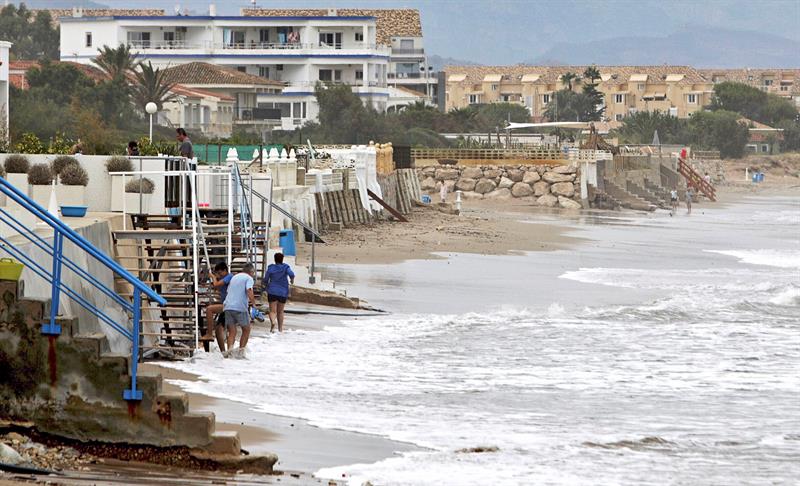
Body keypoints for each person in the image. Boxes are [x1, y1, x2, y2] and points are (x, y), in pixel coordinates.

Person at [223, 263, 256, 351]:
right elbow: (249, 290)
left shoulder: (235, 277)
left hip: (228, 306)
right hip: (239, 307)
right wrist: (253, 303)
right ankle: (241, 351)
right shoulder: (249, 278)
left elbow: (228, 291)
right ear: (251, 272)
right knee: (246, 330)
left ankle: (229, 351)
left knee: (232, 331)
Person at [204, 262, 232, 352]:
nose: (219, 275)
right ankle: (223, 352)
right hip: (226, 304)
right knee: (219, 329)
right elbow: (216, 288)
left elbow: (216, 285)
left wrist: (213, 277)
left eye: (220, 273)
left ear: (225, 270)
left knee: (209, 310)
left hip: (229, 305)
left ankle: (209, 333)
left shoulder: (229, 277)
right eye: (218, 274)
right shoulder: (224, 279)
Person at [263, 253, 295, 333]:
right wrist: (292, 280)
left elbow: (266, 279)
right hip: (283, 292)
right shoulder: (285, 267)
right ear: (282, 259)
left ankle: (273, 323)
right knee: (280, 311)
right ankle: (280, 329)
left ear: (275, 259)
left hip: (272, 291)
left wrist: (266, 287)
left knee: (272, 311)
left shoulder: (271, 268)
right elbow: (292, 274)